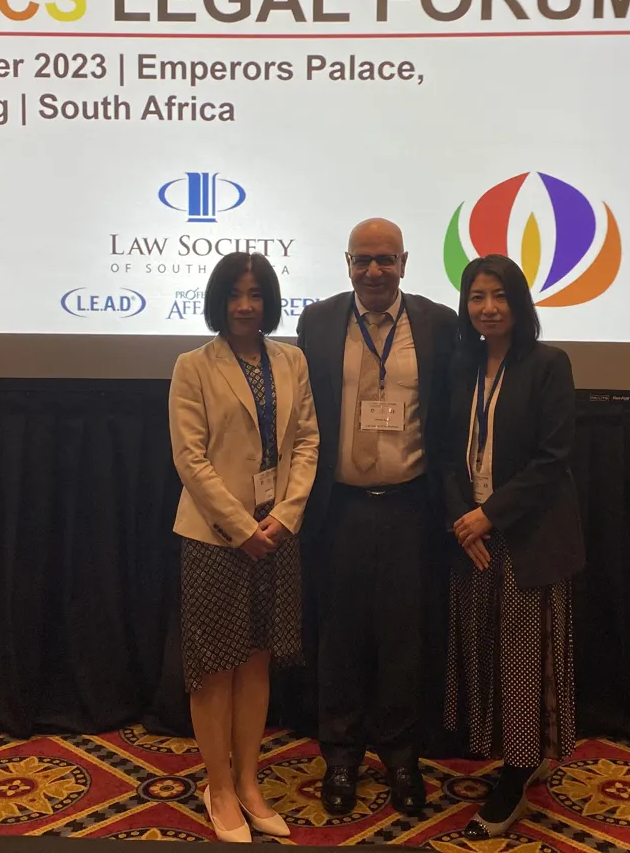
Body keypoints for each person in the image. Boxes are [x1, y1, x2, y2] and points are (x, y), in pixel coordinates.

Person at [296, 218, 457, 816]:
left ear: (405, 263)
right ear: (346, 263)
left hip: (411, 507)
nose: (373, 271)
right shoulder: (317, 322)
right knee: (338, 635)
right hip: (338, 507)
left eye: (385, 259)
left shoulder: (438, 324)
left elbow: (449, 419)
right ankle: (340, 753)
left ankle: (401, 754)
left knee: (403, 636)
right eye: (362, 259)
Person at [169, 252, 319, 843]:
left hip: (276, 535)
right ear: (218, 300)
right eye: (234, 294)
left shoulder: (292, 361)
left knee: (257, 661)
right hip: (215, 538)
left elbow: (306, 443)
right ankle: (219, 788)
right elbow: (190, 458)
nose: (245, 305)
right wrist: (241, 527)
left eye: (256, 294)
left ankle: (250, 783)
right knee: (215, 668)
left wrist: (284, 516)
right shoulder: (192, 366)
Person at [443, 253, 584, 837]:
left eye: (499, 295)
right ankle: (508, 753)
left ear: (520, 303)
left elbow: (553, 459)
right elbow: (443, 452)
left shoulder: (549, 365)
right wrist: (463, 519)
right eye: (477, 296)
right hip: (472, 537)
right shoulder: (461, 366)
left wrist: (490, 516)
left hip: (528, 536)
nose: (488, 307)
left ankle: (519, 772)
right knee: (485, 653)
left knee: (524, 660)